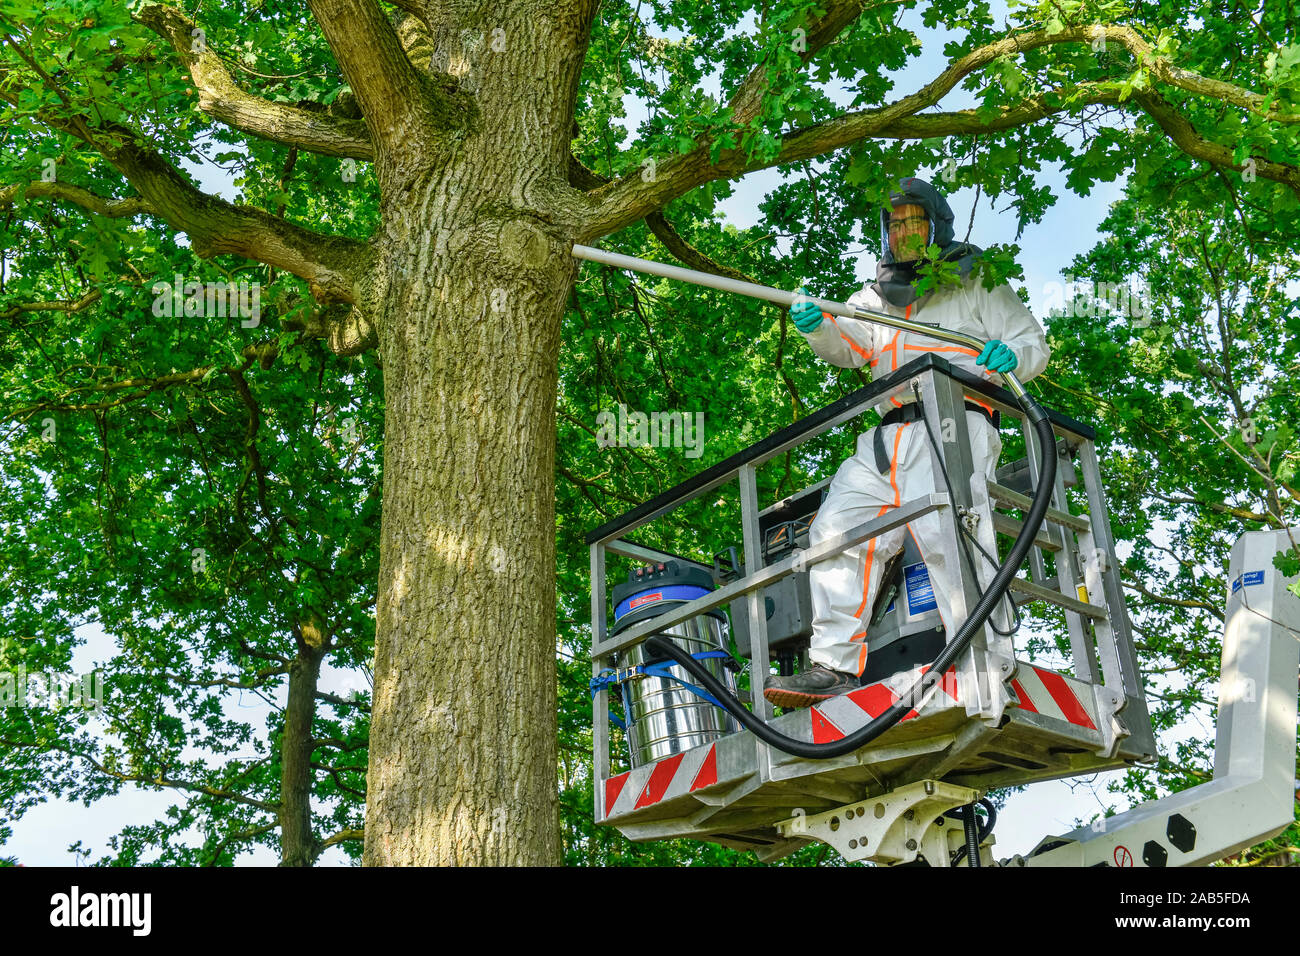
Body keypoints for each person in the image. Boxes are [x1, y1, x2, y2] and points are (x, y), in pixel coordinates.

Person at [762, 176, 1050, 709]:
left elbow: (1031, 342)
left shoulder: (975, 281)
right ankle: (833, 667)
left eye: (913, 222)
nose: (903, 233)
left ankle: (985, 655)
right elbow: (848, 345)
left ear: (936, 225)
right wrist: (817, 327)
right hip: (885, 436)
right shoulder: (875, 296)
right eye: (895, 225)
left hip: (954, 422)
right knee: (835, 534)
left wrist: (1014, 359)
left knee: (949, 537)